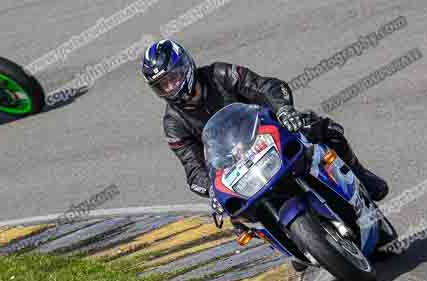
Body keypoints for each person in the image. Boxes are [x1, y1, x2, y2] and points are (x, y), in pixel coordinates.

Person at [141, 39, 389, 205]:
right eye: (163, 85)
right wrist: (210, 188)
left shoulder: (219, 74)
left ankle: (360, 175)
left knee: (325, 129)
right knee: (237, 217)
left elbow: (265, 86)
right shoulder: (173, 123)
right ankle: (290, 238)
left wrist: (283, 110)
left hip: (267, 134)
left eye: (172, 78)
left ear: (185, 68)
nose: (171, 87)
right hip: (233, 167)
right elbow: (193, 167)